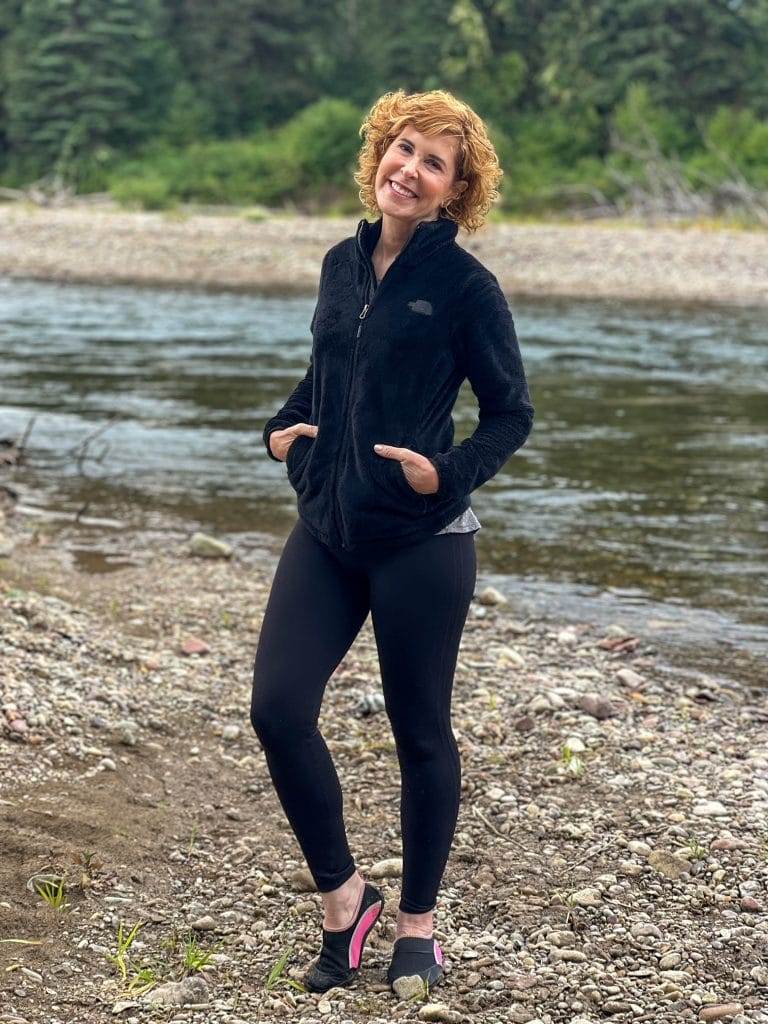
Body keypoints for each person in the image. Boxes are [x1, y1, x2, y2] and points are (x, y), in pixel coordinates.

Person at [251, 88, 535, 994]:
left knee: (420, 734)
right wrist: (283, 429)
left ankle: (418, 924)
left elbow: (510, 413)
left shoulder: (464, 288)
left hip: (422, 539)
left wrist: (441, 474)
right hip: (329, 529)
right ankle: (345, 902)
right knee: (277, 708)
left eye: (433, 162)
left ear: (455, 191)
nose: (408, 169)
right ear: (381, 153)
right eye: (401, 149)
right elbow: (325, 370)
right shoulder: (343, 261)